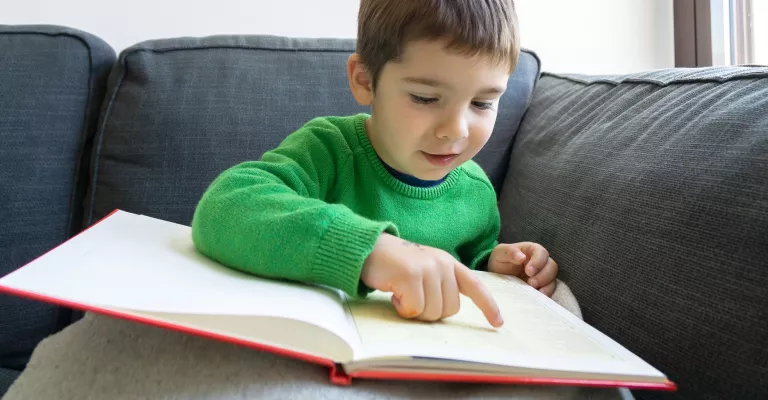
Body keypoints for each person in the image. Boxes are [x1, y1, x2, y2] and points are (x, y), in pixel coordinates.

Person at [191, 0, 558, 328]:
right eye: (425, 97)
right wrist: (370, 251)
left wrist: (497, 262)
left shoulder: (476, 192)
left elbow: (471, 257)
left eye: (482, 103)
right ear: (365, 80)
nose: (456, 130)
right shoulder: (329, 151)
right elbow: (225, 205)